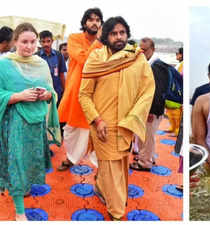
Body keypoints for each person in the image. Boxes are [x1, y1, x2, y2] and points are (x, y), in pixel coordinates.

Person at [79, 16, 155, 220]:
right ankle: (117, 213)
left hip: (126, 124)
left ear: (127, 34)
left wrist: (133, 119)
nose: (119, 37)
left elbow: (148, 91)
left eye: (122, 32)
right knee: (113, 170)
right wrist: (97, 119)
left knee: (119, 164)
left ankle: (101, 188)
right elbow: (84, 95)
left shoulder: (137, 58)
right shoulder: (96, 59)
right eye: (113, 33)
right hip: (102, 125)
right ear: (106, 36)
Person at [0, 23, 60, 221]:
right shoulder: (4, 64)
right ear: (15, 42)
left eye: (33, 42)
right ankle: (19, 212)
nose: (29, 46)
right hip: (15, 121)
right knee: (16, 163)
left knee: (29, 162)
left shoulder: (41, 64)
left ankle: (23, 188)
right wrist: (18, 95)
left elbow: (52, 92)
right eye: (24, 41)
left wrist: (46, 95)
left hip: (36, 122)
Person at [57, 8, 104, 171]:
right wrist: (98, 42)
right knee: (72, 130)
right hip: (77, 92)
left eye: (98, 20)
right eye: (91, 19)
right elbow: (84, 59)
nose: (94, 23)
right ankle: (71, 157)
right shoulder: (74, 38)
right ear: (84, 23)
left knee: (98, 129)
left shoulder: (105, 43)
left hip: (98, 93)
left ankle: (101, 168)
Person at [129, 37, 169, 171]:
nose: (142, 52)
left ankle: (144, 162)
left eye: (145, 50)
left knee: (146, 137)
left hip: (152, 110)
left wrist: (152, 111)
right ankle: (148, 158)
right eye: (140, 49)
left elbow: (158, 91)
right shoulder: (148, 63)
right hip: (146, 108)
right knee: (146, 136)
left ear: (153, 49)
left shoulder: (157, 67)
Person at [38, 30, 67, 106]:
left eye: (48, 41)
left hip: (57, 92)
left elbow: (61, 75)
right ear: (40, 42)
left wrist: (65, 91)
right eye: (43, 42)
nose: (46, 44)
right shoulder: (36, 56)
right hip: (42, 93)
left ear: (52, 41)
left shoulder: (59, 55)